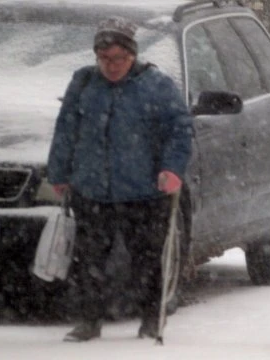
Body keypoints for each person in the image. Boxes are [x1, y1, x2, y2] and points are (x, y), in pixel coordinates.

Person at [47, 16, 192, 342]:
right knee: (88, 261)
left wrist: (172, 169)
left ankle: (152, 319)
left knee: (147, 261)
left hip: (143, 193)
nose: (111, 66)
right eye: (104, 59)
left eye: (119, 58)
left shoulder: (156, 85)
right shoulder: (84, 83)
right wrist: (59, 171)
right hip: (92, 190)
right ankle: (88, 321)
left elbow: (180, 130)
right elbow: (66, 129)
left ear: (133, 55)